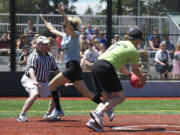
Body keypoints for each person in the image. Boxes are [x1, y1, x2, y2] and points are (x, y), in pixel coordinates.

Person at [40, 3, 113, 120]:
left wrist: (63, 13)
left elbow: (69, 24)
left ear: (70, 27)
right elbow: (52, 29)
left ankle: (58, 110)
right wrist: (44, 21)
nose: (63, 27)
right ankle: (107, 107)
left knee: (51, 85)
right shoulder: (65, 36)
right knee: (87, 94)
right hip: (73, 69)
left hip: (73, 67)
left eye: (65, 26)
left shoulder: (75, 34)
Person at [86, 29, 146, 132]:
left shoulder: (119, 43)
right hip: (106, 68)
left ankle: (93, 121)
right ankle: (98, 113)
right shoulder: (133, 50)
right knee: (120, 97)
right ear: (138, 40)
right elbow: (135, 69)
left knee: (107, 98)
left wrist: (129, 74)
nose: (140, 43)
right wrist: (142, 78)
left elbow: (119, 63)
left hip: (97, 65)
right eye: (140, 40)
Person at [17, 36, 60, 122]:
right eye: (44, 44)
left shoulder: (50, 56)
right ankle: (21, 115)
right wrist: (34, 81)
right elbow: (31, 70)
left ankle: (48, 114)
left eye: (46, 44)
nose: (46, 45)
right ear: (38, 45)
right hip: (29, 79)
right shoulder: (34, 56)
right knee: (34, 94)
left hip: (43, 81)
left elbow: (56, 70)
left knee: (56, 94)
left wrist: (63, 80)